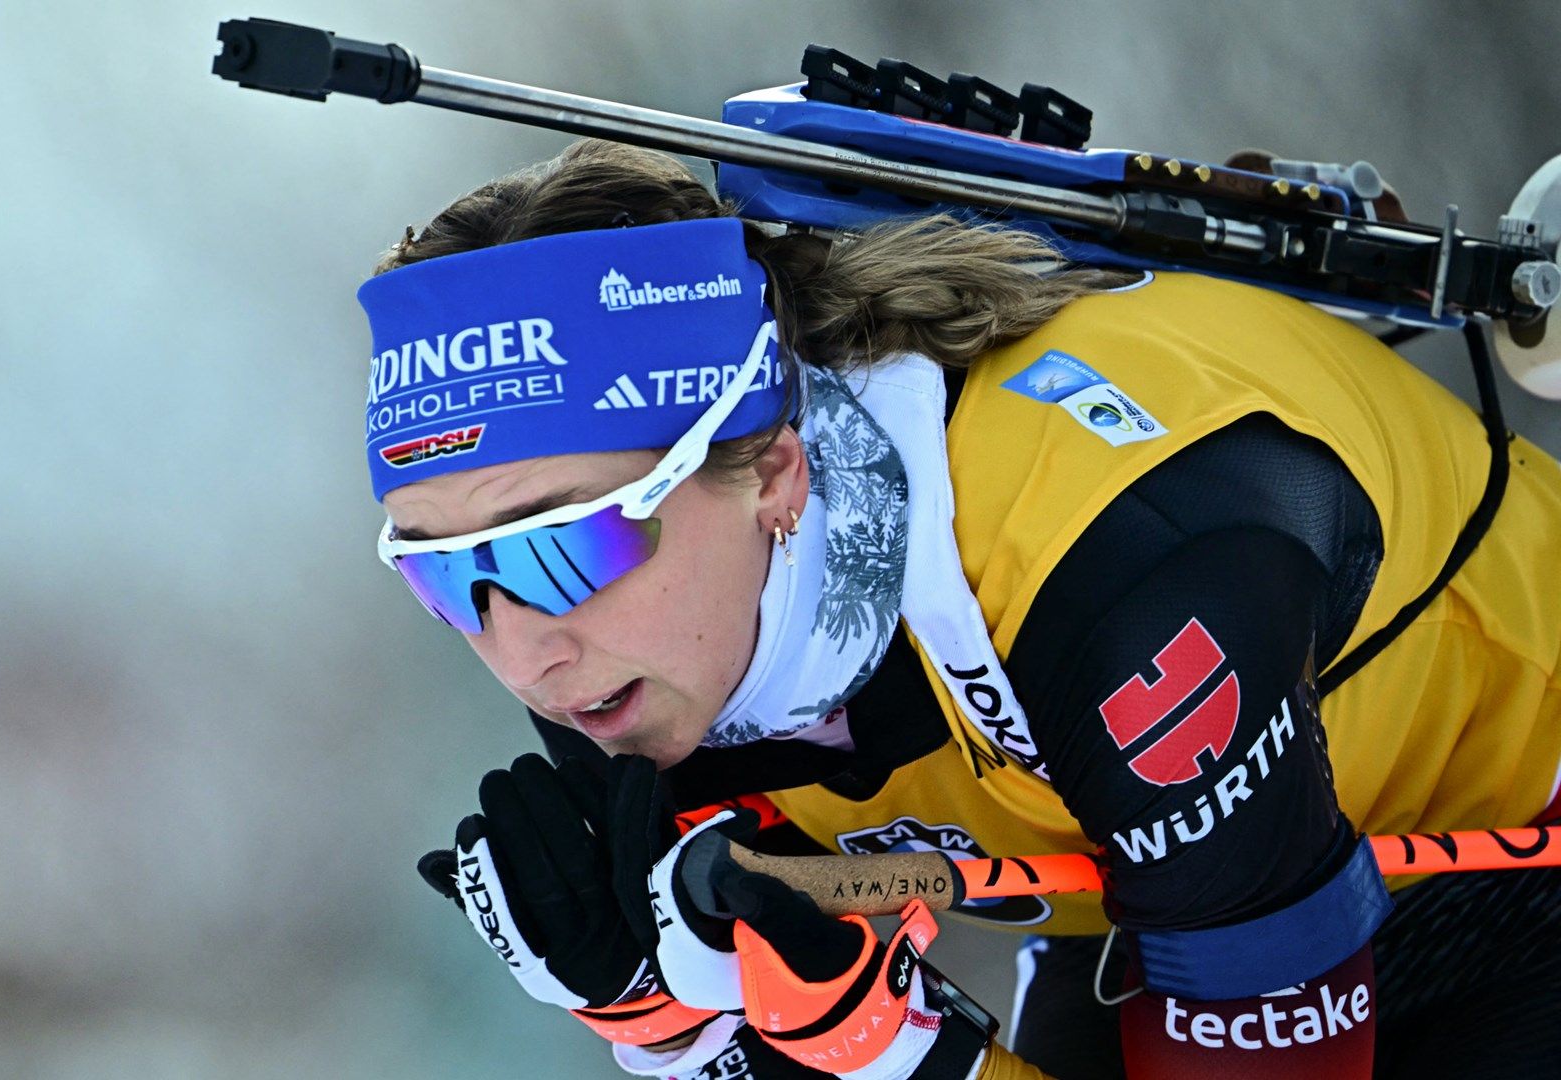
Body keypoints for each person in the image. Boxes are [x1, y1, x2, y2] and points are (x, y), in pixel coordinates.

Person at [358, 138, 1561, 1079]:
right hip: (1172, 894)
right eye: (444, 576)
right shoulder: (637, 662)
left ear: (773, 469)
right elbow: (797, 1001)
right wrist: (672, 1023)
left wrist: (887, 1048)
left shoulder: (1107, 575)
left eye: (567, 547)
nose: (522, 653)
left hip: (1517, 844)